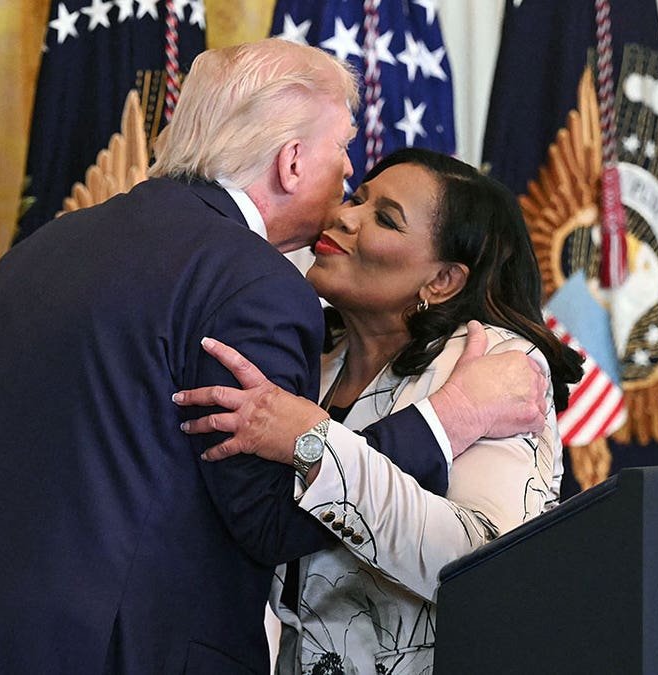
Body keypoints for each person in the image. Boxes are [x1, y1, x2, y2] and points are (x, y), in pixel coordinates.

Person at [0, 41, 546, 674]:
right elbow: (270, 521)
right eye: (344, 155)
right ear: (291, 161)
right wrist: (444, 418)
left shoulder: (38, 253)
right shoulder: (255, 285)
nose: (346, 185)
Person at [174, 148, 584, 674]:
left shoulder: (493, 359)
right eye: (358, 197)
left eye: (384, 218)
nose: (345, 215)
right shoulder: (315, 361)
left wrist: (315, 442)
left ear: (442, 281)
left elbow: (483, 561)